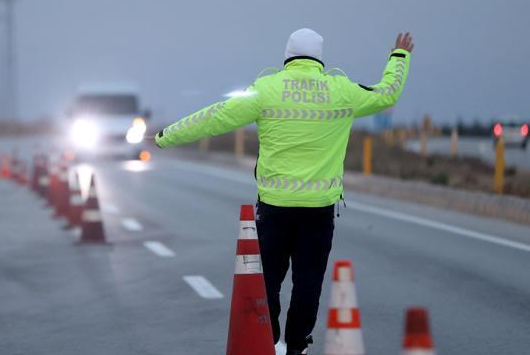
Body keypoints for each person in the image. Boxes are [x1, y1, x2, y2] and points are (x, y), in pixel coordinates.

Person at [154, 28, 414, 354]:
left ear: (287, 56)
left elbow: (215, 117)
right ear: (320, 59)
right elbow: (386, 93)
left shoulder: (266, 89)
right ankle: (297, 345)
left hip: (274, 207)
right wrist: (399, 57)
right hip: (319, 209)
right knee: (308, 282)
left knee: (269, 281)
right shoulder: (342, 91)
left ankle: (269, 339)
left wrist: (166, 135)